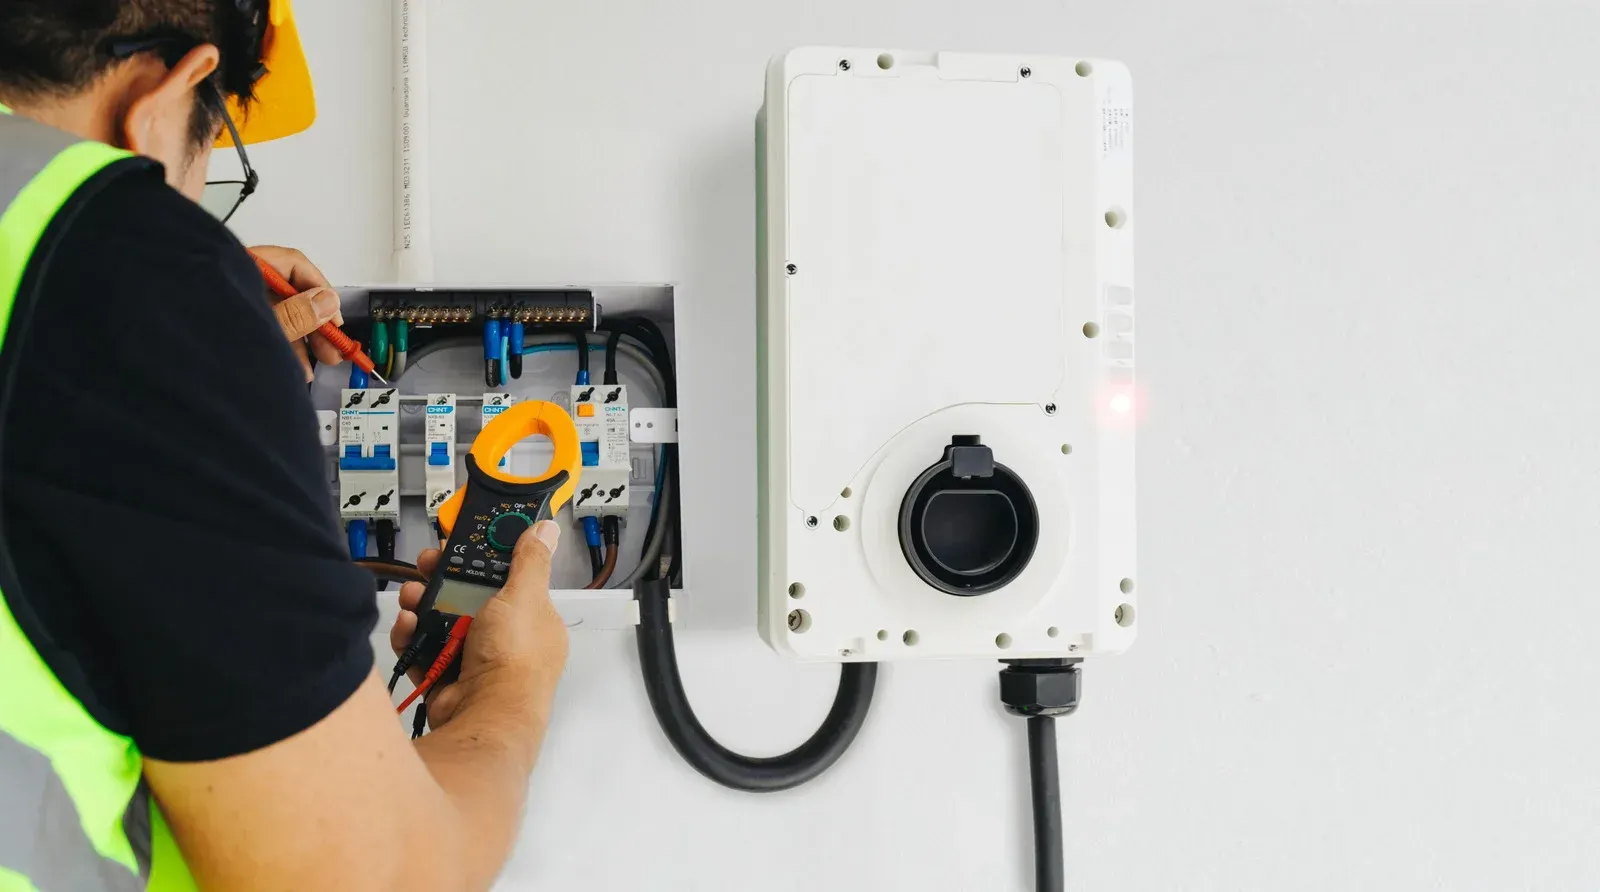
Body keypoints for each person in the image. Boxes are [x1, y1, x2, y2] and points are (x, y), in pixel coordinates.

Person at [0, 2, 569, 890]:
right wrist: (511, 697)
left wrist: (181, 370)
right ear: (167, 95)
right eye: (212, 157)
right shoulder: (132, 274)